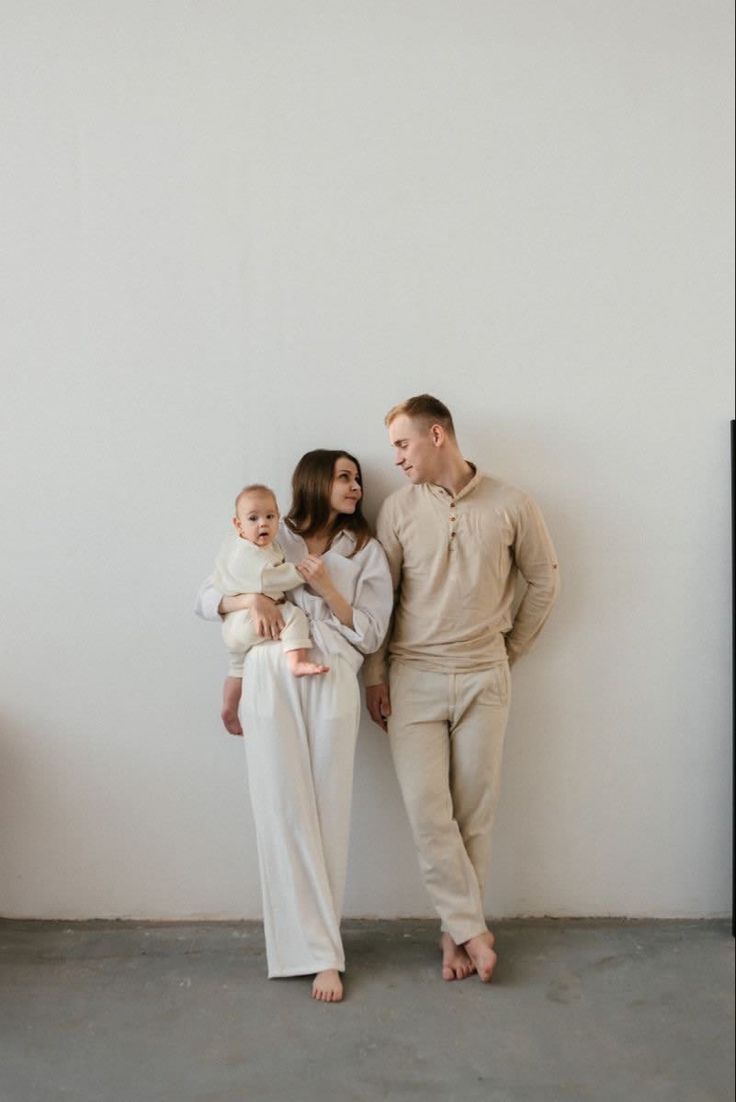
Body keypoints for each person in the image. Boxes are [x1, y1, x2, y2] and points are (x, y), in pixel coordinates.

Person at [364, 395, 560, 984]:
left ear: (438, 435)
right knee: (430, 815)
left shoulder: (512, 503)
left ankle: (454, 937)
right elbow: (381, 600)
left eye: (403, 444)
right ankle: (475, 930)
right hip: (413, 679)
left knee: (474, 815)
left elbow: (545, 578)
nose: (396, 458)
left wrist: (511, 650)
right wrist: (375, 675)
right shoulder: (397, 510)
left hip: (484, 675)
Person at [196, 451, 392, 1003]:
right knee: (280, 807)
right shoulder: (268, 529)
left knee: (327, 808)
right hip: (265, 671)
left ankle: (325, 954)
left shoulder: (366, 551)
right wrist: (251, 598)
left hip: (331, 672)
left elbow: (373, 634)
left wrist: (328, 585)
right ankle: (303, 950)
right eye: (345, 477)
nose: (356, 487)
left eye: (358, 479)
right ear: (315, 481)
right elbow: (206, 596)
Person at [214, 483, 329, 733]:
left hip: (232, 626)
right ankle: (296, 661)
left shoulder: (254, 547)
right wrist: (300, 572)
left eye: (269, 517)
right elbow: (272, 578)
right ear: (238, 526)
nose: (262, 524)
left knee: (236, 668)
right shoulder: (248, 554)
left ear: (279, 518)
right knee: (294, 616)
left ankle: (229, 707)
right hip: (247, 619)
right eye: (253, 518)